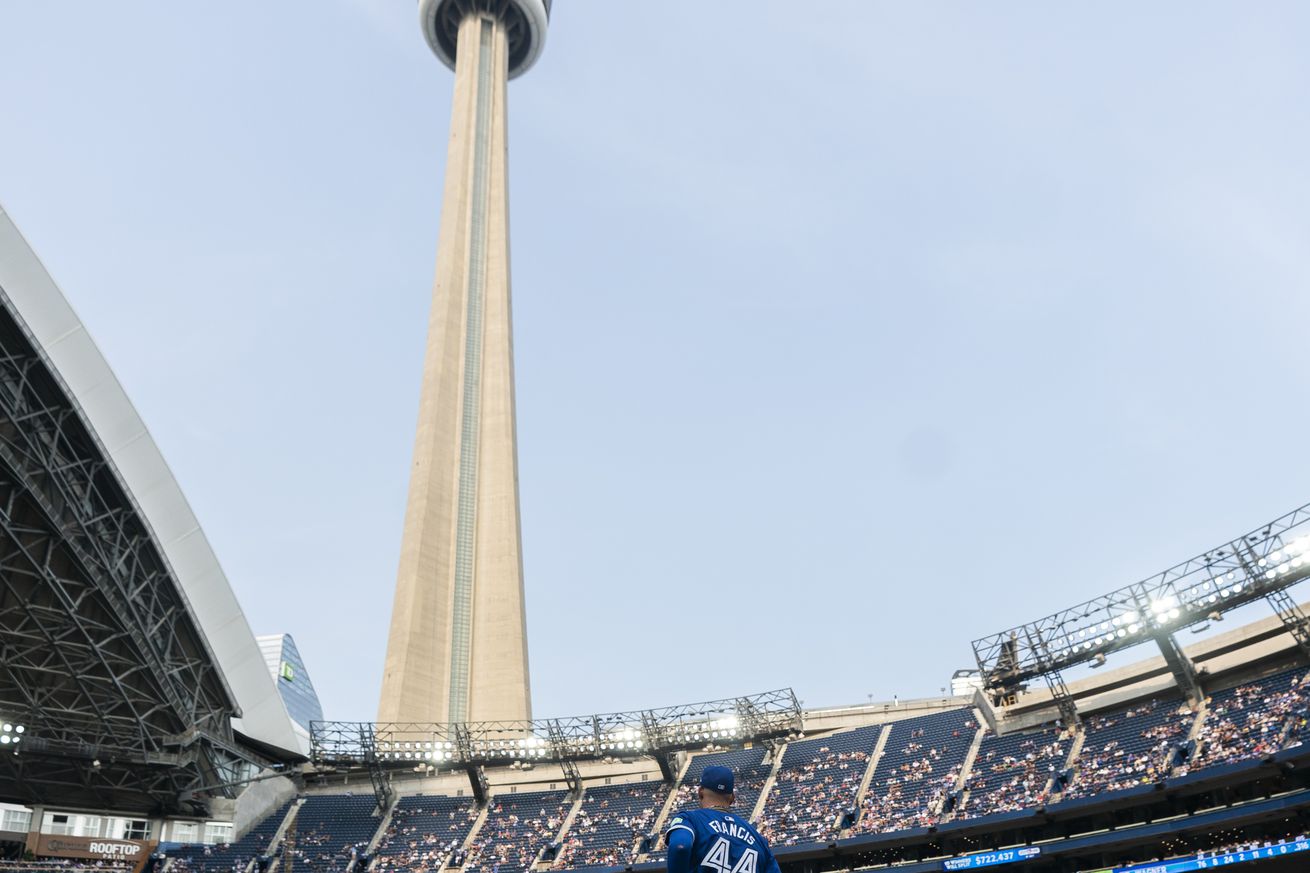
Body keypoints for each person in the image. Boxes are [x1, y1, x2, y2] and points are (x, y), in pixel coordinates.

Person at [664, 766, 782, 873]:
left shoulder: (690, 819)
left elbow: (680, 847)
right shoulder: (758, 838)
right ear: (732, 798)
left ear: (700, 792)